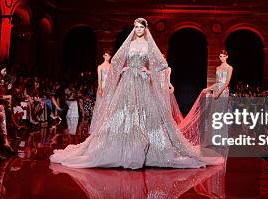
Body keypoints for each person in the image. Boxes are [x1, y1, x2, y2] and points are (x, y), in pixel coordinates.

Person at [50, 18, 224, 169]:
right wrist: (124, 68)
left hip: (141, 80)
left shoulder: (149, 45)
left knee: (144, 111)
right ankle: (119, 147)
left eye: (141, 27)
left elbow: (162, 64)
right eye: (136, 27)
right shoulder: (131, 43)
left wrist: (149, 72)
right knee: (123, 111)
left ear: (145, 29)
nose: (138, 30)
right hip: (128, 80)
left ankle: (146, 146)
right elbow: (117, 60)